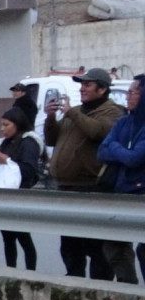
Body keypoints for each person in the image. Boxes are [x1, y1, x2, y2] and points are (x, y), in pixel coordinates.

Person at [44, 67, 124, 279]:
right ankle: (74, 284)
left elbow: (97, 132)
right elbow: (52, 139)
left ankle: (99, 289)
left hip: (91, 188)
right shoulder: (77, 111)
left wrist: (72, 113)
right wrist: (50, 118)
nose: (82, 89)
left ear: (102, 89)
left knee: (96, 247)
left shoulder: (112, 111)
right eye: (81, 84)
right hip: (67, 188)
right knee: (70, 245)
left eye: (87, 85)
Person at [97, 73, 145, 284]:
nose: (127, 97)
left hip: (141, 194)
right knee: (114, 244)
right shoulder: (123, 122)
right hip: (121, 191)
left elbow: (135, 158)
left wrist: (117, 149)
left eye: (132, 92)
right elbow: (102, 151)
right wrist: (121, 150)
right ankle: (130, 290)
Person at [0, 107, 41, 270]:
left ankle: (30, 273)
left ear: (17, 124)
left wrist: (7, 161)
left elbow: (29, 170)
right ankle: (10, 270)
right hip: (5, 196)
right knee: (7, 237)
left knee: (24, 237)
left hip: (20, 197)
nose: (2, 129)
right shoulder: (4, 143)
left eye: (6, 125)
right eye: (1, 125)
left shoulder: (28, 142)